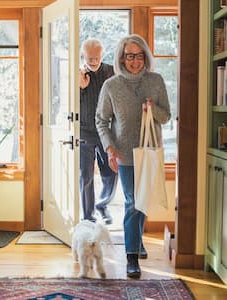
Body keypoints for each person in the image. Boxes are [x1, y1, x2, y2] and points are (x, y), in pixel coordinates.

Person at [95, 34, 171, 278]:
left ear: (145, 57)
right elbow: (101, 120)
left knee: (143, 200)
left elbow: (166, 116)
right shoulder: (111, 85)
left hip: (150, 151)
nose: (135, 61)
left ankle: (136, 243)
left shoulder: (156, 81)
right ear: (122, 57)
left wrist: (153, 109)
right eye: (130, 56)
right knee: (132, 202)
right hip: (125, 153)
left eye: (139, 56)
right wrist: (109, 148)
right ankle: (131, 257)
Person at [79, 38, 118, 225]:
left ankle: (102, 204)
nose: (93, 61)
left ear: (102, 55)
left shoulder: (111, 72)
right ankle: (88, 216)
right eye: (89, 58)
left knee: (111, 172)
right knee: (85, 175)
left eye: (96, 57)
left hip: (107, 130)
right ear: (83, 56)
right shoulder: (78, 74)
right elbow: (68, 103)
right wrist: (80, 88)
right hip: (84, 131)